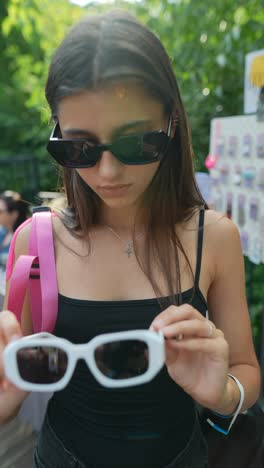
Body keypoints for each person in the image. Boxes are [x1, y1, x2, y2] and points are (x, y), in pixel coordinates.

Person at [0, 10, 260, 468]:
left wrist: (222, 394)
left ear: (172, 124)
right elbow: (12, 380)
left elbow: (245, 370)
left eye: (136, 144)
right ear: (57, 133)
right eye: (79, 148)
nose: (108, 172)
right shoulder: (35, 242)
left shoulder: (213, 237)